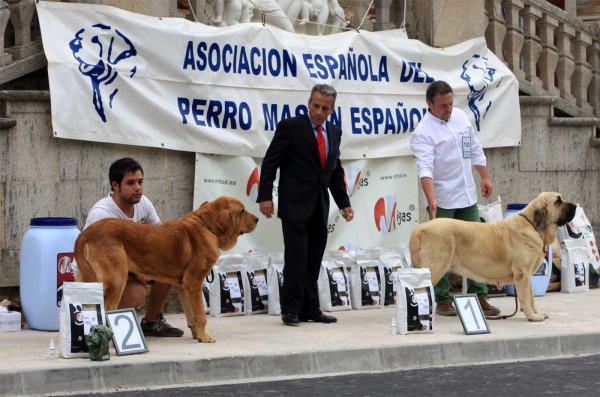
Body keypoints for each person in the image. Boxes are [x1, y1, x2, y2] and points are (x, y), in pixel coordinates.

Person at [257, 84, 354, 326]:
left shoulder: (334, 132)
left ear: (331, 109)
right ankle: (290, 309)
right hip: (294, 204)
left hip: (319, 206)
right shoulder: (291, 127)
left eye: (325, 108)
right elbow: (270, 163)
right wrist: (265, 196)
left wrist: (344, 203)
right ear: (309, 103)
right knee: (296, 258)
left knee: (313, 259)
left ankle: (310, 308)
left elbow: (334, 170)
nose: (319, 111)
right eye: (316, 105)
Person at [409, 80, 501, 317]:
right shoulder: (423, 132)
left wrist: (484, 177)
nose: (448, 109)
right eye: (442, 105)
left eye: (450, 103)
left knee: (478, 247)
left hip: (467, 195)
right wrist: (431, 202)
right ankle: (442, 299)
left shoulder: (460, 117)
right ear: (429, 104)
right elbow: (425, 170)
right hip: (443, 199)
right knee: (439, 251)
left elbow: (474, 147)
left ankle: (480, 297)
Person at [83, 158, 184, 337]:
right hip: (98, 272)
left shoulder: (143, 203)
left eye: (140, 181)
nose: (138, 187)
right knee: (137, 294)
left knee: (170, 269)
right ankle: (101, 325)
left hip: (129, 266)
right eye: (130, 183)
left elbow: (162, 237)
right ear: (116, 185)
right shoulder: (101, 213)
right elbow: (97, 262)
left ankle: (151, 322)